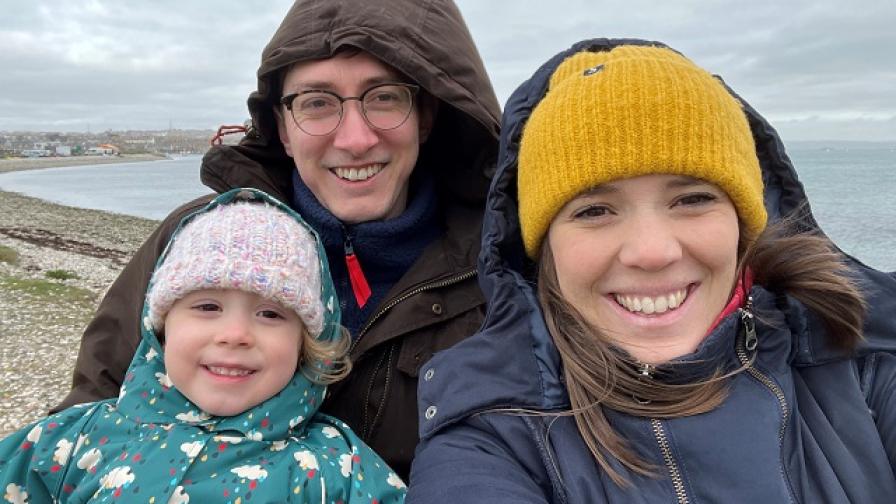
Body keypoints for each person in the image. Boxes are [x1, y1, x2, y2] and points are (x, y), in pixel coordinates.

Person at [407, 41, 896, 502]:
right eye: (595, 210)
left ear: (744, 223)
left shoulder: (863, 364)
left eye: (692, 199)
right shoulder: (488, 438)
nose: (652, 252)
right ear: (545, 248)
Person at [54, 0, 500, 479]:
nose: (354, 139)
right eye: (316, 102)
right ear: (283, 129)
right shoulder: (194, 239)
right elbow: (86, 421)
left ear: (426, 116)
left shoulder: (504, 267)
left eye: (384, 97)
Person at [0, 189, 406, 503]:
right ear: (160, 328)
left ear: (306, 345)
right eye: (207, 306)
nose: (235, 334)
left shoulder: (338, 469)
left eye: (270, 314)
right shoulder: (71, 442)